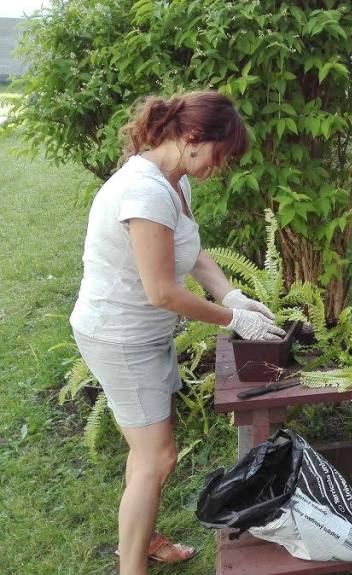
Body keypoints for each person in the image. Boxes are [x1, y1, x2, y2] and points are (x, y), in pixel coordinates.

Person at [69, 91, 284, 573]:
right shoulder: (145, 192)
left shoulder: (174, 180)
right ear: (192, 137)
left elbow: (193, 251)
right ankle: (132, 567)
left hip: (142, 334)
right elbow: (162, 292)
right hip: (120, 337)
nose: (219, 167)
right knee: (158, 457)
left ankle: (140, 540)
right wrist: (233, 321)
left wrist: (230, 294)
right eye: (219, 155)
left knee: (146, 453)